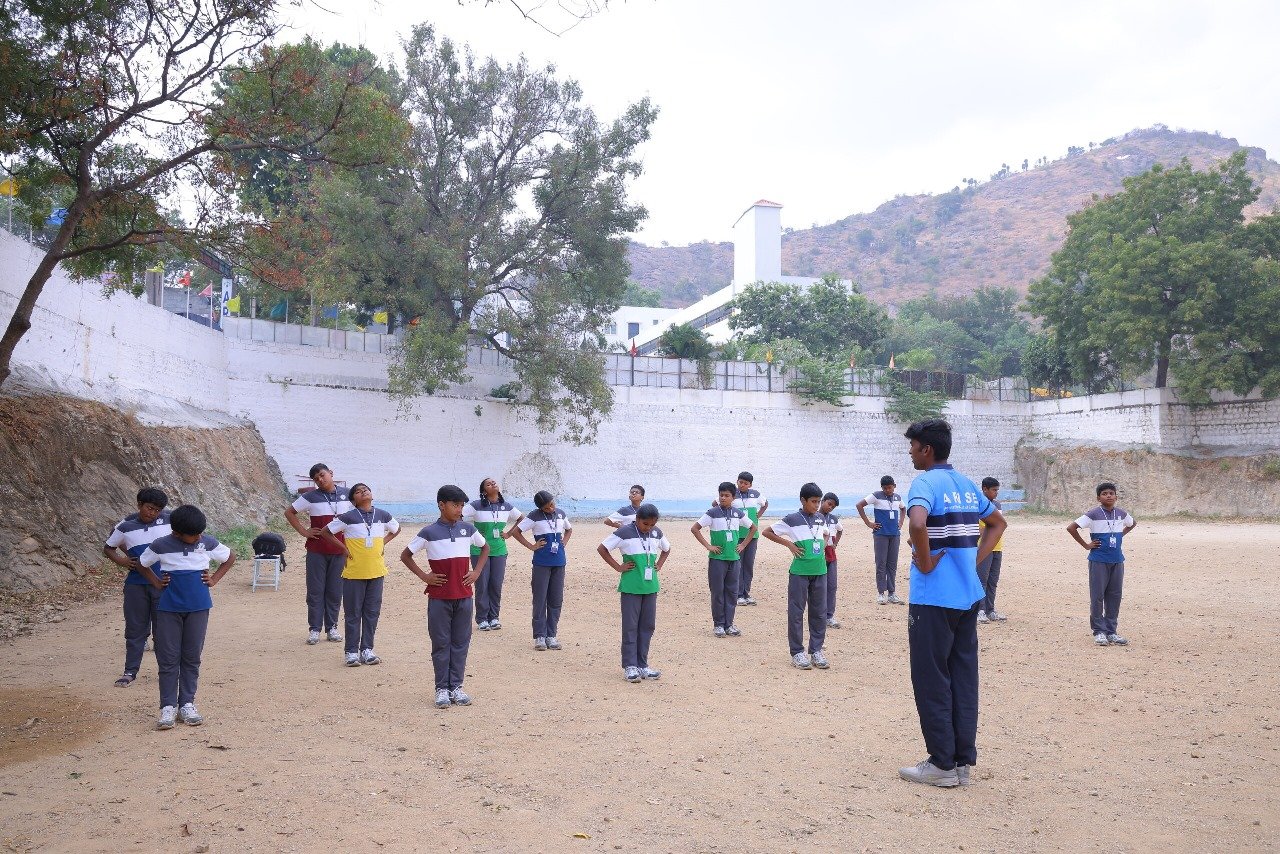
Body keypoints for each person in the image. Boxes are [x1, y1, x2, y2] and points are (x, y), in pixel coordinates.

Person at [897, 419, 1006, 788]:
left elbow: (916, 524)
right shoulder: (967, 485)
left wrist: (927, 562)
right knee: (962, 676)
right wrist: (971, 561)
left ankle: (941, 763)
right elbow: (997, 524)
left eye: (913, 446)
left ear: (926, 449)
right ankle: (961, 763)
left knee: (931, 677)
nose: (910, 452)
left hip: (933, 598)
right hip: (967, 594)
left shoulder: (925, 483)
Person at [138, 504, 236, 730]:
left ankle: (187, 704)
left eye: (200, 532)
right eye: (194, 535)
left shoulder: (207, 542)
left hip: (198, 608)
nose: (199, 537)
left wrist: (214, 579)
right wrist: (156, 582)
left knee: (192, 657)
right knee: (168, 658)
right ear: (176, 533)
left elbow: (230, 556)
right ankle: (168, 707)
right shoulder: (160, 545)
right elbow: (142, 564)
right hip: (169, 608)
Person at [400, 485, 490, 709]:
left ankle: (456, 686)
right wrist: (424, 576)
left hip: (464, 596)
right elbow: (406, 555)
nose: (460, 510)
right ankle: (441, 688)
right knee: (441, 643)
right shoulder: (428, 532)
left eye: (462, 506)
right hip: (439, 598)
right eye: (455, 505)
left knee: (461, 642)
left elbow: (485, 548)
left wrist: (477, 572)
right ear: (441, 505)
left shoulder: (468, 529)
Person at [319, 483, 400, 666]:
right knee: (353, 613)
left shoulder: (383, 515)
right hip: (354, 573)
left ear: (372, 494)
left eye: (366, 489)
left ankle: (367, 649)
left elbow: (396, 529)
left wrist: (382, 543)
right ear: (353, 500)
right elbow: (326, 532)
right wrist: (343, 548)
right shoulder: (348, 517)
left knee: (372, 612)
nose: (363, 492)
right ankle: (351, 652)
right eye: (358, 491)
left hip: (376, 571)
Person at [103, 488, 171, 688]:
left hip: (163, 585)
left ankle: (166, 672)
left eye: (157, 510)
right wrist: (123, 561)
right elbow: (108, 547)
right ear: (139, 504)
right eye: (149, 508)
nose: (153, 513)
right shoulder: (126, 526)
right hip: (136, 586)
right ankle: (130, 672)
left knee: (163, 632)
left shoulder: (169, 521)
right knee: (135, 630)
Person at [597, 503, 672, 682]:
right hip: (631, 586)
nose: (648, 528)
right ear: (637, 519)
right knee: (631, 626)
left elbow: (667, 548)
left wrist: (659, 564)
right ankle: (630, 666)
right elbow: (602, 548)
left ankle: (643, 665)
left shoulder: (656, 533)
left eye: (652, 524)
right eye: (645, 524)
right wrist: (618, 567)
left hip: (650, 587)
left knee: (647, 626)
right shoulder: (624, 532)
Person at [762, 482, 830, 670]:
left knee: (819, 613)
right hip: (799, 572)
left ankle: (816, 651)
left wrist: (823, 545)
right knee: (796, 612)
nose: (817, 505)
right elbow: (767, 532)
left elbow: (826, 534)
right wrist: (789, 545)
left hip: (820, 571)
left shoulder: (820, 518)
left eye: (819, 501)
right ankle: (797, 652)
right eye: (813, 501)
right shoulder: (792, 519)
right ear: (803, 500)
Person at [285, 463, 352, 645]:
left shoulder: (348, 494)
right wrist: (304, 531)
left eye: (322, 475)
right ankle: (314, 629)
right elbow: (289, 512)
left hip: (340, 550)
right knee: (315, 591)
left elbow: (359, 514)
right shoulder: (310, 497)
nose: (320, 480)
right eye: (316, 479)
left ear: (331, 473)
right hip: (316, 550)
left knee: (335, 591)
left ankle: (332, 628)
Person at [1067, 482, 1136, 647]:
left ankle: (1111, 631)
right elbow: (1071, 528)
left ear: (1116, 496)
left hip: (1117, 560)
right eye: (1104, 494)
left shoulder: (1121, 513)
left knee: (1114, 596)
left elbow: (1132, 523)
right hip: (1098, 560)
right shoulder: (1093, 514)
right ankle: (1099, 631)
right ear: (1099, 498)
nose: (1109, 496)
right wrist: (1086, 545)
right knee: (1097, 596)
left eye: (1111, 493)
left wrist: (1120, 535)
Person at [691, 482, 755, 638]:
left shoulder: (738, 513)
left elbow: (753, 528)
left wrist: (743, 545)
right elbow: (695, 528)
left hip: (734, 559)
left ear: (733, 497)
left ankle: (729, 624)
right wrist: (708, 546)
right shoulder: (712, 513)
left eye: (727, 495)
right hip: (717, 559)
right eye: (721, 495)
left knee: (732, 592)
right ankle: (718, 624)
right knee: (717, 592)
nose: (723, 498)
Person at [511, 491, 573, 651]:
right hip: (541, 563)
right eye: (546, 508)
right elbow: (516, 532)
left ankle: (551, 635)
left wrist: (564, 543)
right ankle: (540, 635)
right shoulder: (534, 516)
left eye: (552, 504)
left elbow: (569, 529)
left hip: (559, 562)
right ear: (540, 509)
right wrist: (532, 546)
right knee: (540, 599)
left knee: (556, 600)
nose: (551, 509)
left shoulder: (561, 514)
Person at [462, 478, 523, 631]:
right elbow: (457, 515)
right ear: (484, 491)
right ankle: (482, 619)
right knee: (482, 584)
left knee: (496, 584)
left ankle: (494, 617)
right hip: (479, 550)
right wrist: (471, 533)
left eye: (494, 482)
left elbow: (521, 518)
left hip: (499, 550)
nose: (493, 484)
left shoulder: (506, 506)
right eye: (488, 484)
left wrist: (508, 533)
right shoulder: (476, 505)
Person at [856, 476, 906, 605]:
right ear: (881, 488)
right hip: (881, 535)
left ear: (894, 486)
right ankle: (881, 593)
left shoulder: (898, 497)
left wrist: (901, 522)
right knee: (881, 563)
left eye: (890, 487)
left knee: (892, 564)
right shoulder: (876, 496)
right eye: (885, 488)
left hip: (895, 535)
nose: (887, 490)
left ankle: (892, 593)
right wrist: (868, 523)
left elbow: (903, 508)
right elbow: (859, 505)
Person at [732, 472, 768, 606]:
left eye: (745, 483)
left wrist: (758, 515)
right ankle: (738, 594)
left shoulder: (755, 494)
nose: (742, 485)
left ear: (750, 485)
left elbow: (765, 504)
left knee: (748, 565)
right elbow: (716, 503)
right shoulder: (732, 493)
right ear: (737, 481)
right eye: (740, 482)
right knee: (738, 565)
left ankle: (746, 593)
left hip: (752, 535)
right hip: (737, 535)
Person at [976, 477, 1006, 625]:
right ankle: (979, 610)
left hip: (998, 547)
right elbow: (980, 528)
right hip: (984, 547)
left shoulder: (997, 505)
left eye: (997, 490)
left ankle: (990, 609)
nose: (996, 493)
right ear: (984, 489)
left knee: (993, 580)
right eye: (994, 490)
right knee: (982, 579)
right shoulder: (978, 505)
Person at [820, 492, 844, 628]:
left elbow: (840, 530)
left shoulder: (834, 519)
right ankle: (819, 616)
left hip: (831, 555)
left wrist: (835, 544)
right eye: (829, 504)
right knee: (819, 587)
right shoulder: (814, 516)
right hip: (818, 556)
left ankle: (829, 616)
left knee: (832, 586)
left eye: (833, 507)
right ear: (822, 501)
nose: (830, 508)